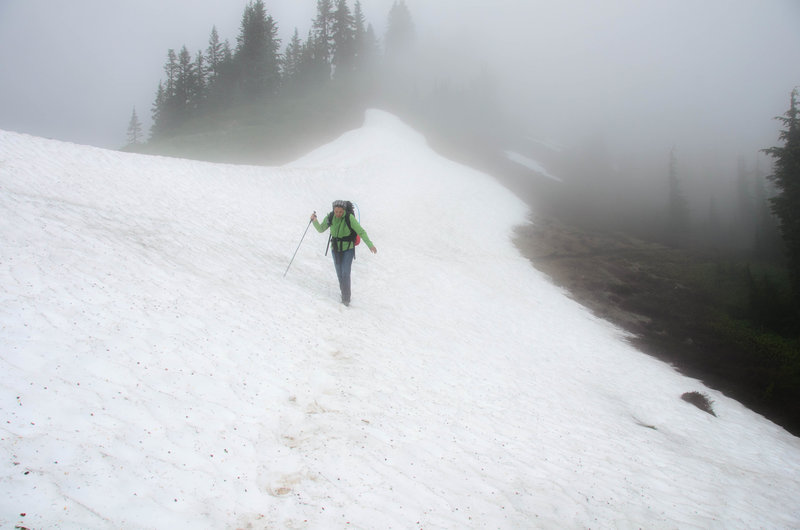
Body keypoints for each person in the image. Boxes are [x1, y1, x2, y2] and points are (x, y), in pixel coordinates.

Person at [311, 200, 377, 306]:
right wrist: (314, 220)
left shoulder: (349, 218)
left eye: (340, 212)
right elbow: (321, 229)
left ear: (344, 211)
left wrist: (370, 245)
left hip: (348, 249)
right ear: (333, 210)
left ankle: (346, 298)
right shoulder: (331, 217)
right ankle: (344, 293)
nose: (338, 214)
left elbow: (361, 231)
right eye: (336, 211)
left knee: (345, 273)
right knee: (339, 274)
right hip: (335, 249)